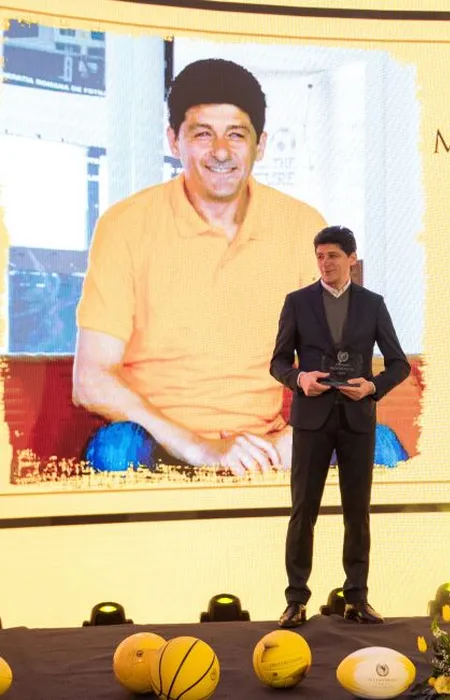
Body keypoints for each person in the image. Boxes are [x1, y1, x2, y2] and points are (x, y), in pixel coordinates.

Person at [72, 58, 327, 475]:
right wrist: (200, 448)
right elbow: (91, 379)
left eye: (236, 134)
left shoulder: (304, 227)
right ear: (174, 141)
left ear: (260, 145)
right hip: (160, 442)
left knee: (379, 445)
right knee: (115, 450)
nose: (221, 151)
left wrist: (292, 440)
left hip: (266, 445)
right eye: (203, 134)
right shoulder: (125, 225)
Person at [270, 225, 410, 627]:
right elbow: (278, 362)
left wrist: (372, 386)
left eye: (332, 255)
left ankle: (357, 598)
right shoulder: (297, 302)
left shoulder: (372, 304)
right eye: (319, 256)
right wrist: (300, 379)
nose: (325, 263)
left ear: (351, 259)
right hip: (311, 420)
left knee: (357, 512)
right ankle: (296, 599)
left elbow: (399, 364)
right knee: (303, 511)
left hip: (356, 419)